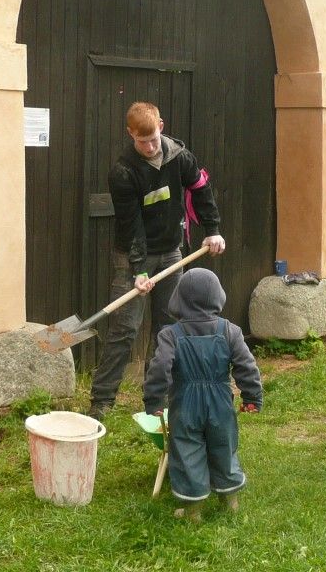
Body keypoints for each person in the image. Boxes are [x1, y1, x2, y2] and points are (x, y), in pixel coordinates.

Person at [88, 102, 226, 419]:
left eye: (152, 139)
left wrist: (214, 229)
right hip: (133, 256)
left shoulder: (180, 157)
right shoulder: (123, 172)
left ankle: (156, 399)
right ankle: (102, 400)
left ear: (160, 126)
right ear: (130, 134)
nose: (149, 147)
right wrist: (139, 271)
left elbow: (202, 190)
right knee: (125, 330)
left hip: (171, 252)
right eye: (141, 141)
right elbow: (130, 224)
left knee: (167, 328)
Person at [143, 268, 263, 522]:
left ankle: (193, 511)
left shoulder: (170, 334)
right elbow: (246, 365)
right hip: (220, 400)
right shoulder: (230, 331)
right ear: (218, 296)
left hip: (185, 403)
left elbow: (160, 367)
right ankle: (230, 502)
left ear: (179, 298)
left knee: (186, 449)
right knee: (223, 445)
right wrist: (252, 397)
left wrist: (154, 400)